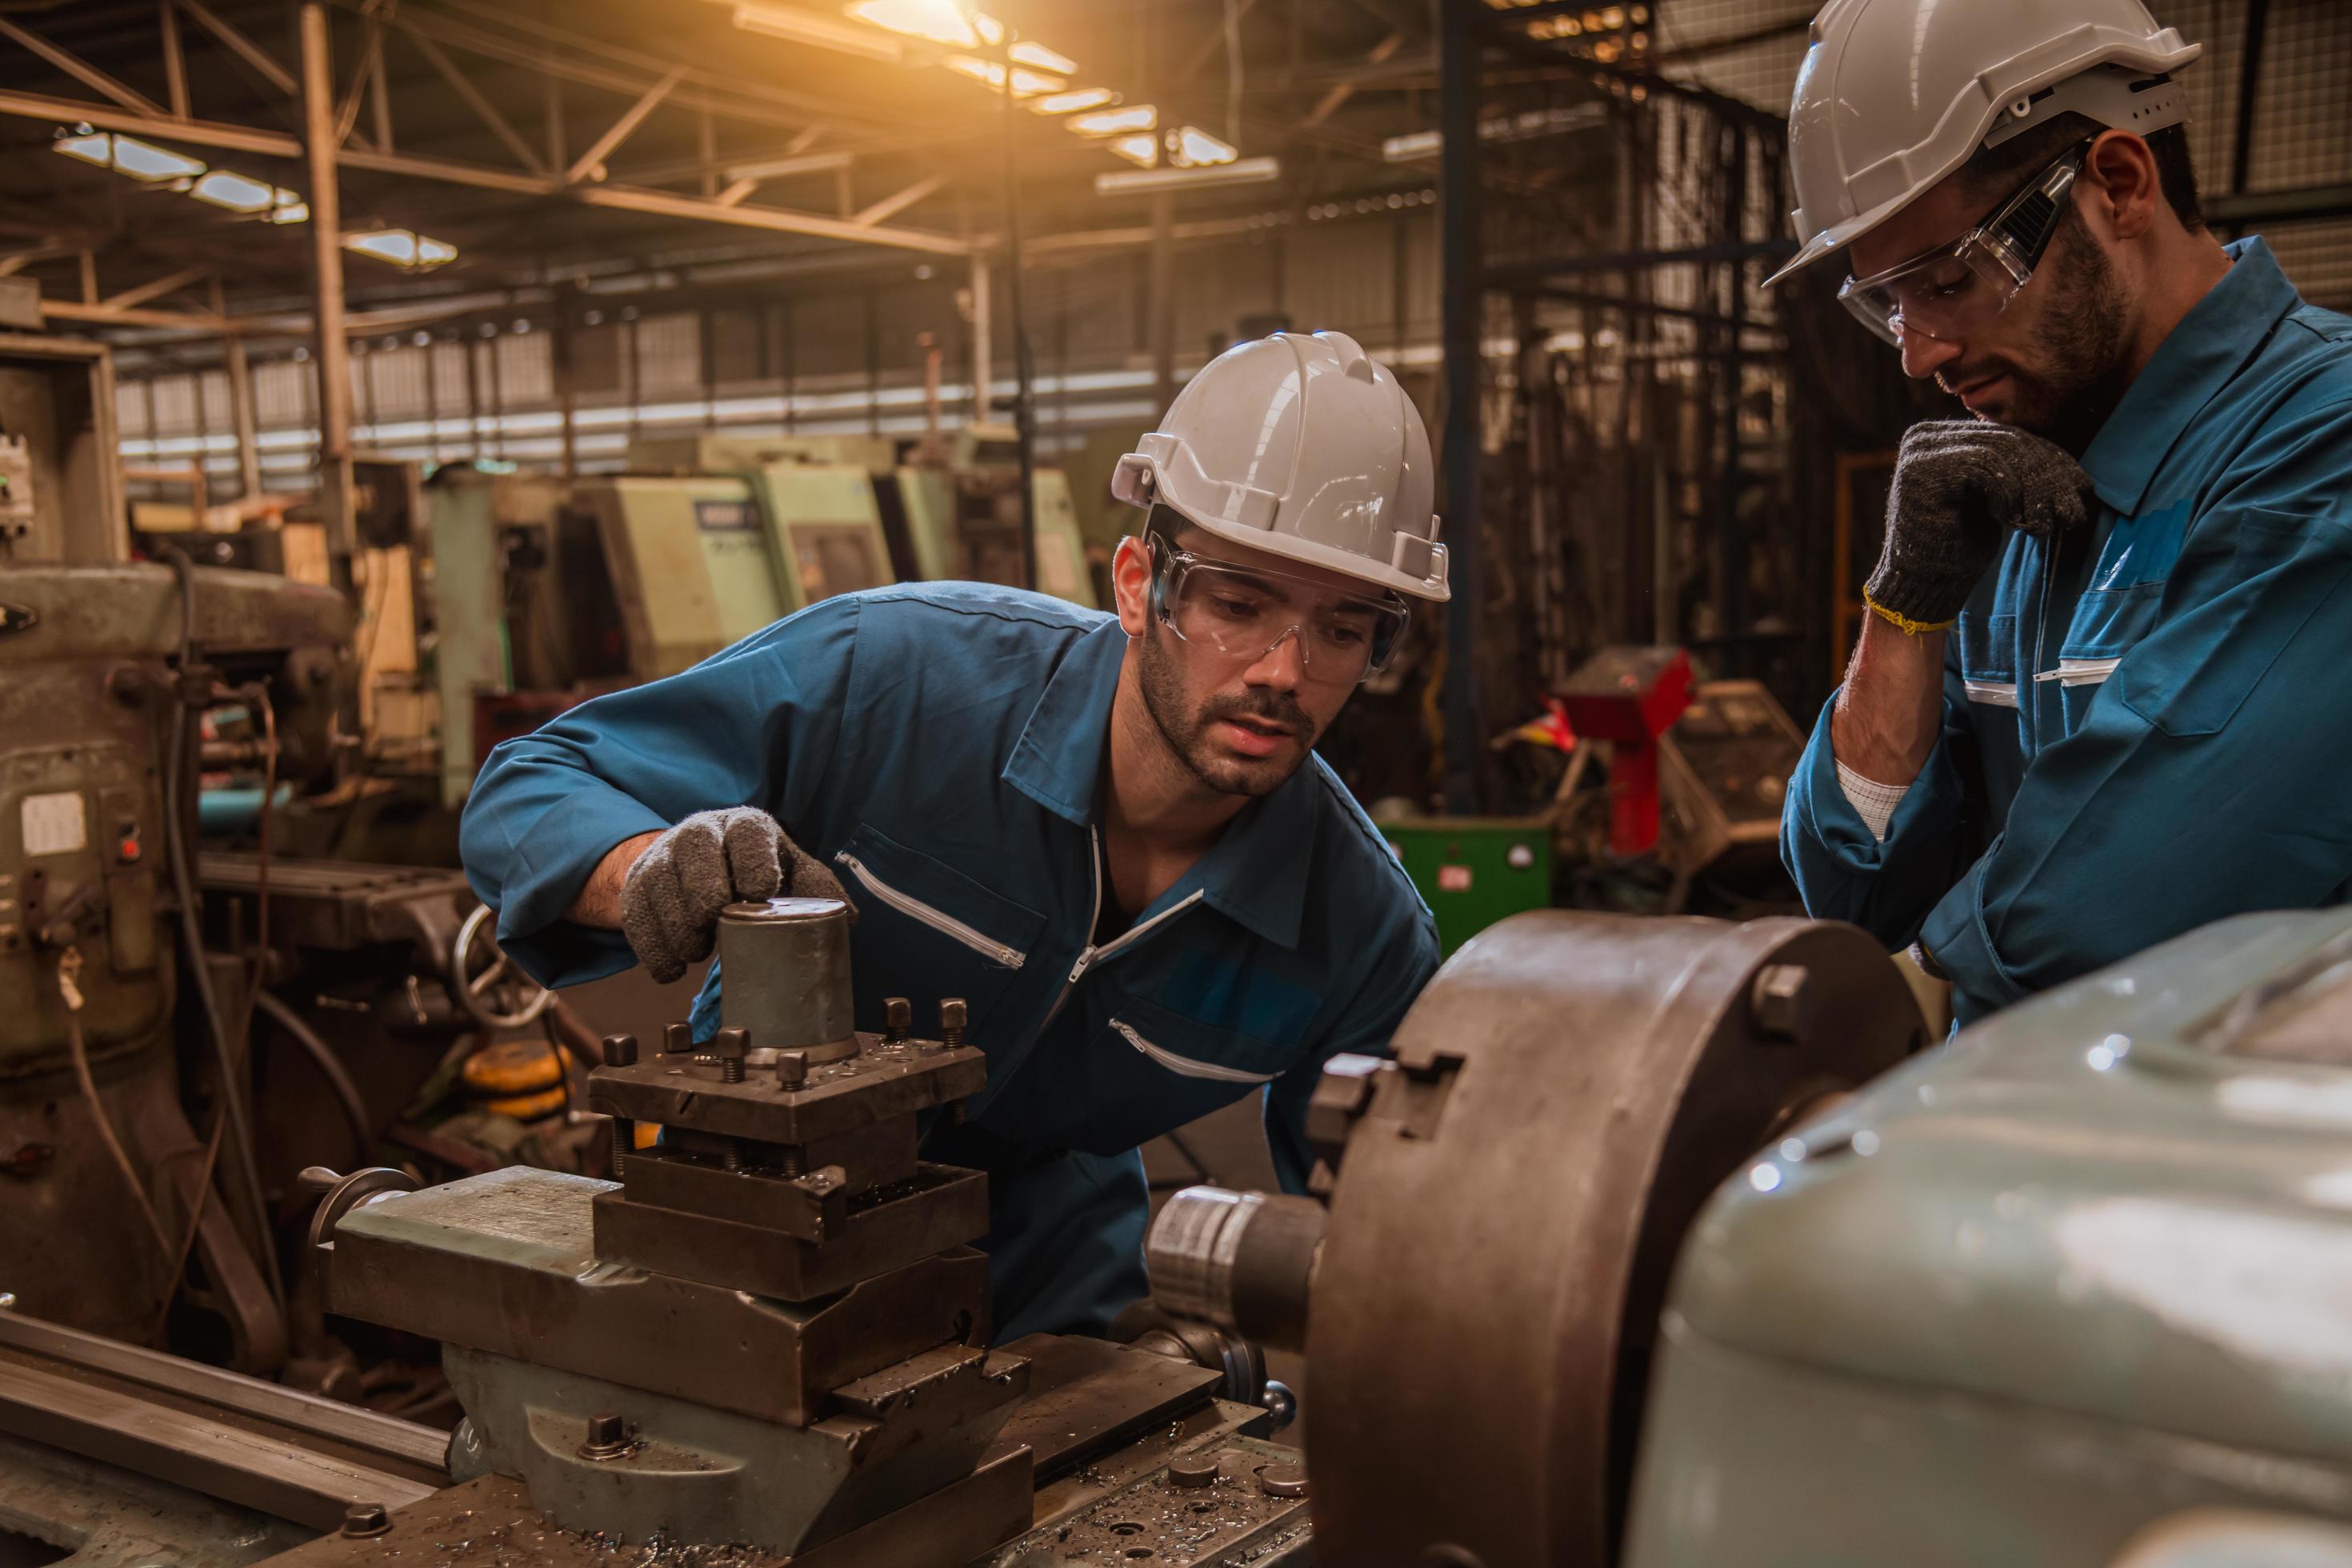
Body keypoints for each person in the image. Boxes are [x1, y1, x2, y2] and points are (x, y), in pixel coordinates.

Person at [458, 329, 1446, 1338]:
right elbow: (532, 784)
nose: (1284, 670)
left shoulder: (1361, 934)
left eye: (1341, 628)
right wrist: (648, 868)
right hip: (752, 1203)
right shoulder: (894, 676)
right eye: (1241, 603)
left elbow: (1378, 1244)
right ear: (1139, 584)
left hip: (1052, 1256)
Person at [1774, 0, 2352, 1029]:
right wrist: (1905, 607)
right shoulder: (2021, 482)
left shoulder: (2320, 447)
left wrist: (1901, 982)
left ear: (2119, 186)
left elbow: (2113, 911)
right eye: (1888, 308)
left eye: (1949, 281)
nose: (1919, 355)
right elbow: (1856, 885)